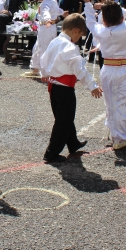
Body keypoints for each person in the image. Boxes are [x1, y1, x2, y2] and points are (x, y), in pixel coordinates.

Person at [40, 13, 102, 163]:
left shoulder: (55, 41)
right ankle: (51, 152)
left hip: (54, 86)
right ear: (75, 31)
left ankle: (73, 143)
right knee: (63, 120)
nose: (79, 39)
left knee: (65, 117)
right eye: (80, 35)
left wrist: (44, 72)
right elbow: (80, 70)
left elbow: (43, 58)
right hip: (64, 89)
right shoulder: (70, 47)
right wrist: (92, 86)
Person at [82, 0, 126, 149]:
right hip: (124, 69)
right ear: (121, 17)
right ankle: (119, 136)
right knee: (124, 103)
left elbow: (91, 22)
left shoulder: (101, 30)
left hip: (108, 69)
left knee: (111, 102)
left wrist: (88, 5)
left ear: (104, 20)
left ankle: (115, 134)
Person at [24, 0, 60, 78]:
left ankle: (46, 71)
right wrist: (63, 13)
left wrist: (47, 19)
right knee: (38, 47)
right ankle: (36, 68)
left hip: (46, 27)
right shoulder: (52, 2)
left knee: (44, 48)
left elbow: (46, 12)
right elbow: (58, 10)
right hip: (47, 27)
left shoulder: (46, 4)